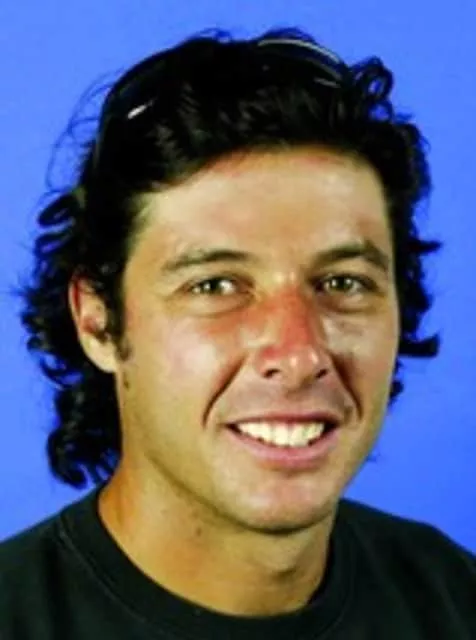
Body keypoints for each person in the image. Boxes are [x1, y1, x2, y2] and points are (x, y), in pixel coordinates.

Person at [1, 26, 475, 639]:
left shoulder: (456, 601)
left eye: (342, 282)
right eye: (216, 286)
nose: (299, 354)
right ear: (98, 321)